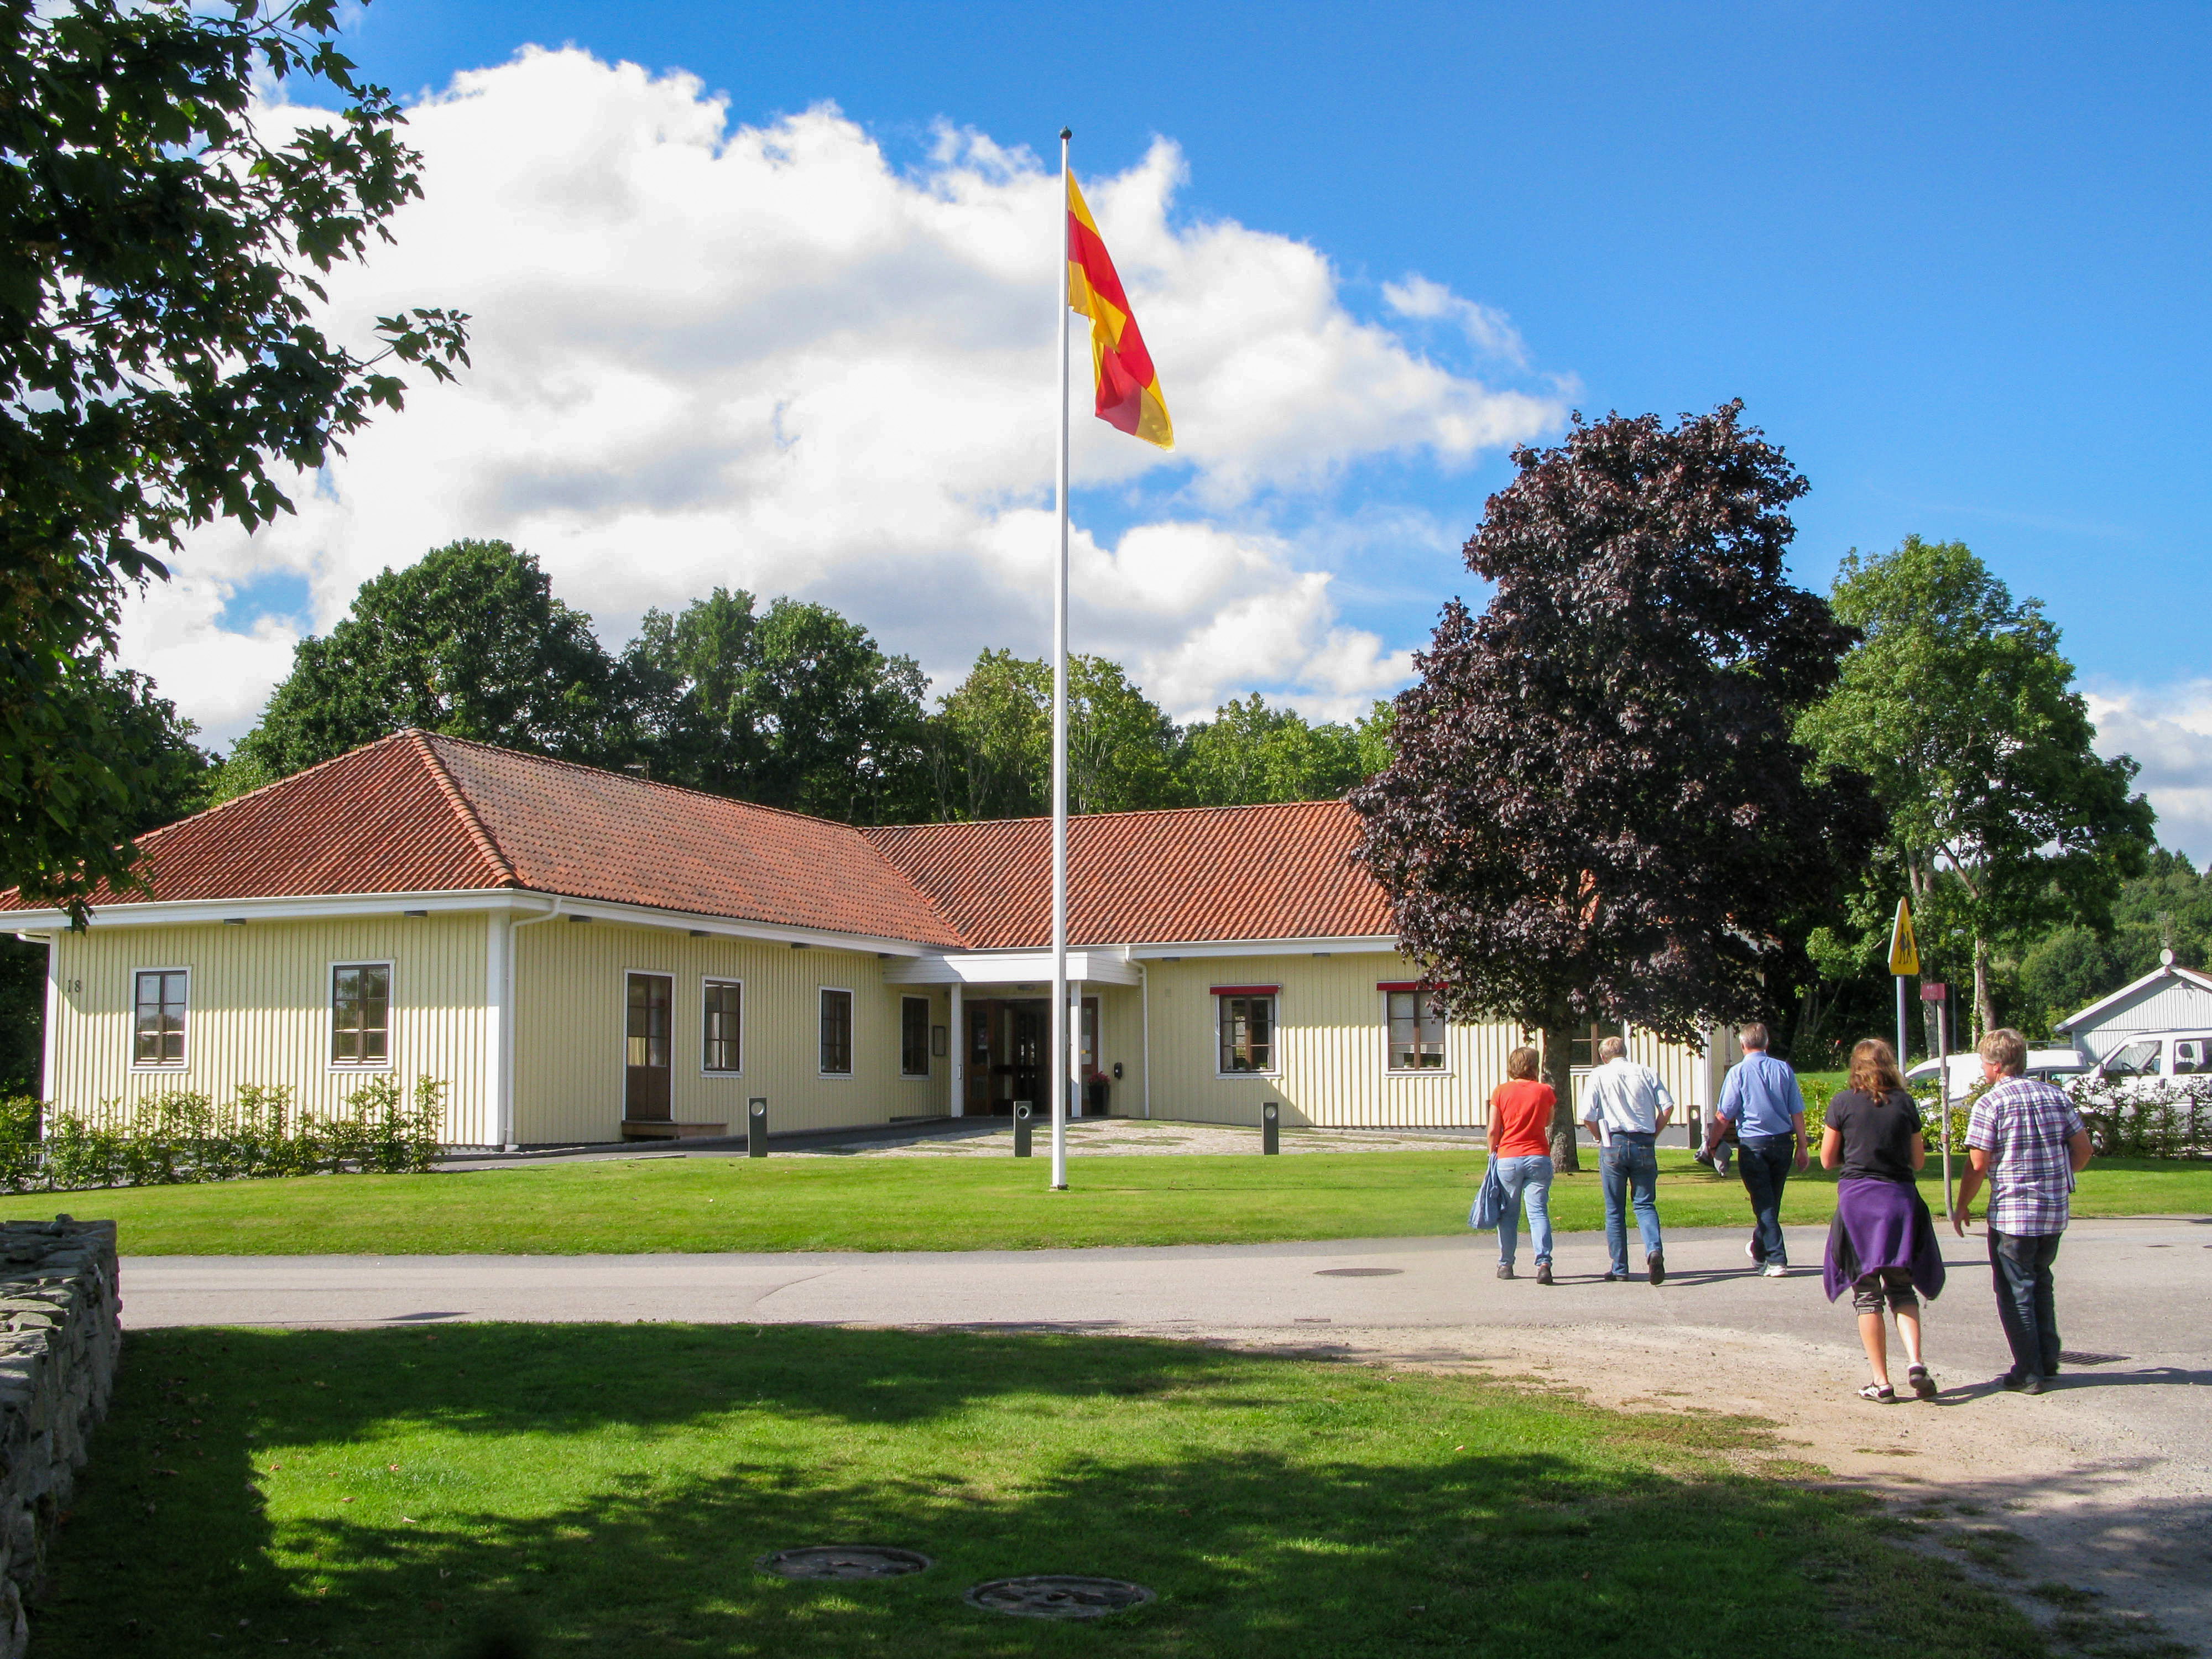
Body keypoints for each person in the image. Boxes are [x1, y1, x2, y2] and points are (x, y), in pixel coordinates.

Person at [1952, 1027, 2094, 1395]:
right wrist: (2061, 1174)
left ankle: (2028, 1371)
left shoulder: (1991, 1104)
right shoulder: (2056, 1097)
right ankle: (2047, 1360)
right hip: (2053, 1210)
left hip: (2014, 1212)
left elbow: (1979, 1162)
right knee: (2041, 1281)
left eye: (1984, 1063)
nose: (1983, 1070)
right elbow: (2083, 1150)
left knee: (2016, 1291)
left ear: (1997, 1066)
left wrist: (1963, 1204)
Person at [1820, 1037, 1945, 1402]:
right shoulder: (1905, 1103)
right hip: (1900, 1204)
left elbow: (1828, 1160)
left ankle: (1881, 1381)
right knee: (1902, 1288)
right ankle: (1916, 1362)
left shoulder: (1842, 1103)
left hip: (1859, 1206)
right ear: (1889, 1065)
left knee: (1867, 1295)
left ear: (1855, 1065)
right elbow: (1918, 1161)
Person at [1700, 1023, 1809, 1276]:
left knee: (1764, 1203)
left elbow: (1724, 1114)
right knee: (1771, 1200)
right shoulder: (1783, 1070)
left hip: (1754, 1143)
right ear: (1766, 1043)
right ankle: (1760, 1250)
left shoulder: (1738, 1072)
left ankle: (1777, 1258)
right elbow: (1797, 1111)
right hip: (1783, 1141)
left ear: (1743, 1045)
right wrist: (1802, 1145)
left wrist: (1713, 1144)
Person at [1580, 1035, 1673, 1284]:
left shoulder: (1599, 1075)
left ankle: (1620, 1267)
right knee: (1644, 1204)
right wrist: (1654, 1132)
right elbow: (1667, 1106)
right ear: (1625, 1051)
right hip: (1643, 1141)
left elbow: (1587, 1115)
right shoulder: (1645, 1072)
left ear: (1603, 1056)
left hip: (1614, 1142)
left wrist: (1600, 1136)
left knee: (1615, 1209)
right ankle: (1654, 1249)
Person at [1486, 1046, 1557, 1284]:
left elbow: (1494, 1129)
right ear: (1534, 1067)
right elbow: (1548, 1120)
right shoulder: (1545, 1091)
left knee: (1508, 1214)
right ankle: (1544, 1262)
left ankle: (1506, 1264)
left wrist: (1491, 1153)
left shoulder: (1501, 1092)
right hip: (1538, 1155)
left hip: (1509, 1156)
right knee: (1538, 1213)